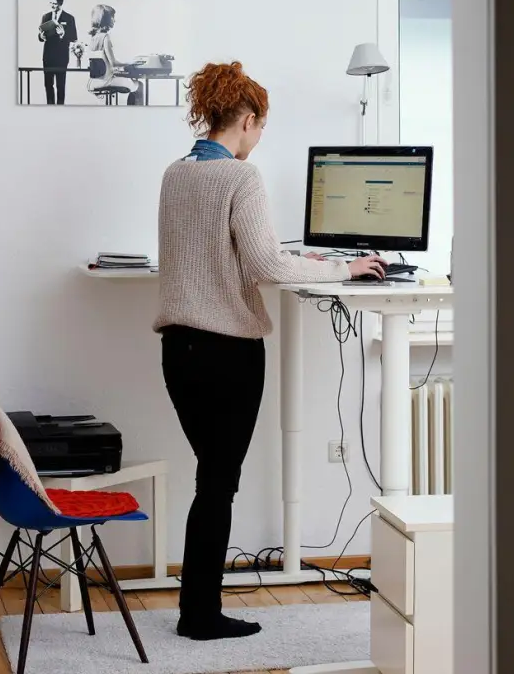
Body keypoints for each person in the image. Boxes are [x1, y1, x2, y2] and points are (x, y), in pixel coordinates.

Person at [153, 61, 385, 641]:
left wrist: (298, 260)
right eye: (260, 129)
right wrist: (343, 267)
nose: (258, 141)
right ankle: (200, 616)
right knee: (219, 482)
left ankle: (195, 608)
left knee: (213, 478)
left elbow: (227, 254)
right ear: (249, 119)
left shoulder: (175, 173)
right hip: (228, 353)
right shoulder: (239, 178)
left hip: (179, 353)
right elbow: (261, 264)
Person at [38, 0, 78, 105]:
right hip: (47, 57)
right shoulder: (45, 17)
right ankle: (49, 108)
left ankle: (60, 109)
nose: (52, 5)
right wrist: (41, 36)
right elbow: (41, 35)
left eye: (54, 4)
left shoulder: (69, 18)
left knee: (60, 86)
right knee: (48, 85)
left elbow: (74, 37)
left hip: (61, 57)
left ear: (60, 4)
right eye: (51, 3)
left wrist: (63, 34)